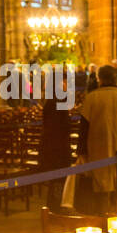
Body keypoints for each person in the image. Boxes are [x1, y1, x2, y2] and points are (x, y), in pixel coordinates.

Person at [76, 64, 117, 214]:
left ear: (100, 79)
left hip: (99, 150)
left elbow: (83, 129)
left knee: (101, 188)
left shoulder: (92, 98)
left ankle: (102, 219)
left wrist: (81, 152)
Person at [38, 67, 74, 210]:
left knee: (57, 180)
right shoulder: (57, 100)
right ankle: (54, 209)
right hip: (57, 147)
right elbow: (59, 127)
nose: (66, 85)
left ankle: (55, 207)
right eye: (65, 82)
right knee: (57, 180)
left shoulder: (52, 99)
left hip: (53, 145)